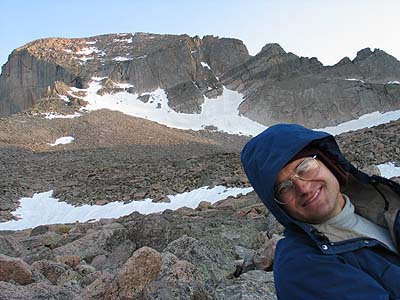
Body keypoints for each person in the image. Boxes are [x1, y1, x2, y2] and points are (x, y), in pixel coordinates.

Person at [241, 123, 400, 300]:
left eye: (305, 167)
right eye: (284, 187)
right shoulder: (301, 265)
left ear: (328, 162)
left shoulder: (385, 202)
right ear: (279, 207)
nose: (303, 188)